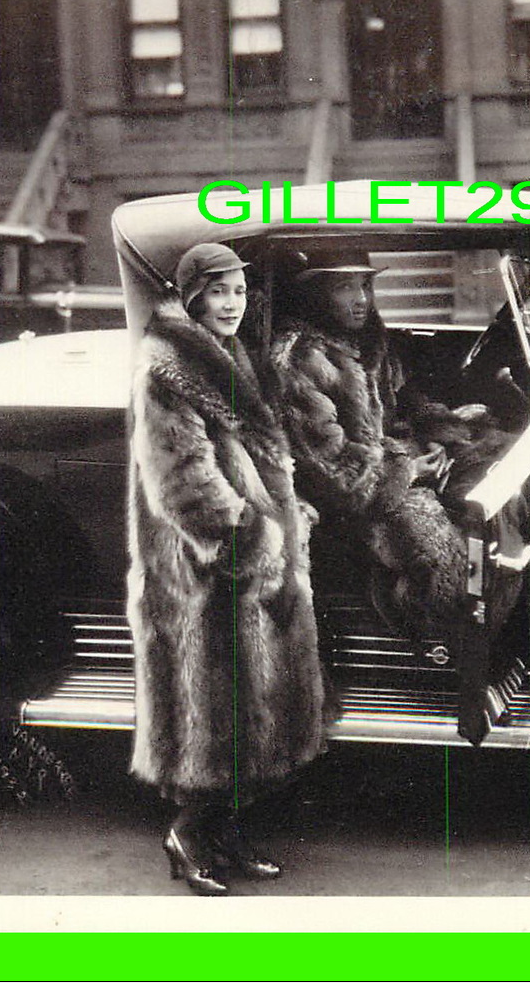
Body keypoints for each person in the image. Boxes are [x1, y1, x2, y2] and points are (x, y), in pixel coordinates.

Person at [125, 242, 327, 896]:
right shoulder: (166, 365)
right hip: (204, 569)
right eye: (218, 291)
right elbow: (182, 483)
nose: (232, 302)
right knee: (208, 721)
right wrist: (253, 542)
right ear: (192, 296)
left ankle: (227, 835)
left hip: (247, 557)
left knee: (250, 715)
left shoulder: (228, 353)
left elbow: (254, 455)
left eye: (238, 290)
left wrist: (286, 510)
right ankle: (186, 836)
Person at [268, 247, 501, 637]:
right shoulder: (300, 359)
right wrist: (408, 466)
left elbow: (405, 400)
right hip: (350, 503)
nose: (361, 298)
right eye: (345, 287)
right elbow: (332, 469)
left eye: (365, 285)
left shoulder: (370, 339)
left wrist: (442, 431)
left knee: (489, 485)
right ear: (317, 294)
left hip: (389, 476)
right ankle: (423, 644)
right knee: (441, 558)